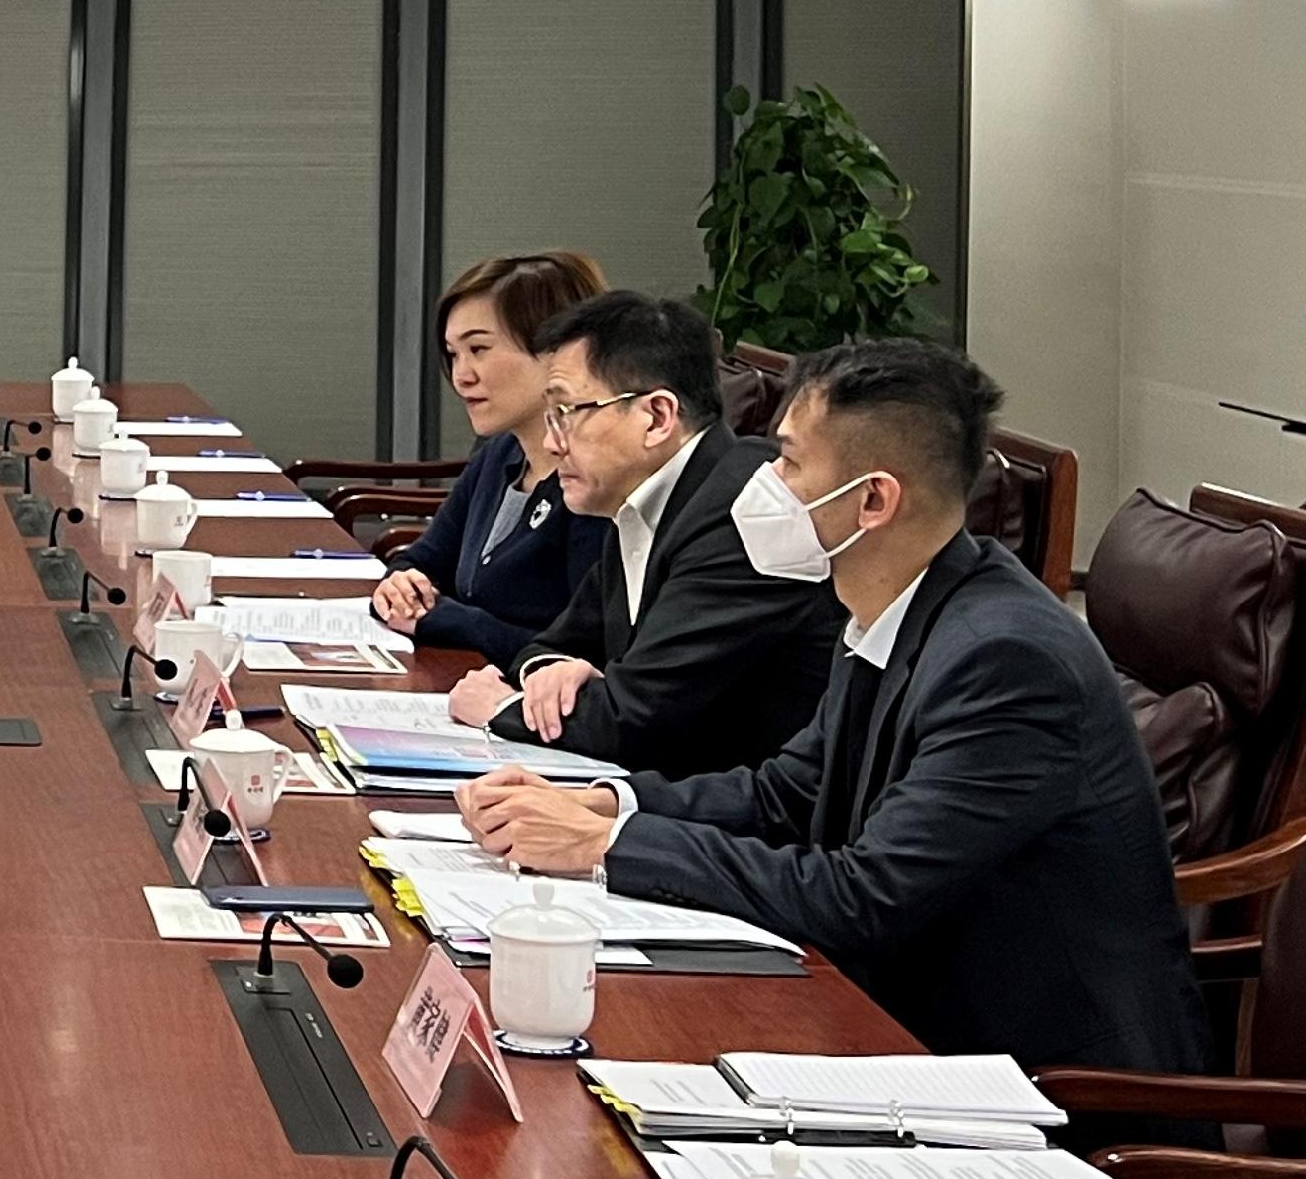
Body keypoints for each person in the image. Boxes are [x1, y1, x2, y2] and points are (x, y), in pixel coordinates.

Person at [460, 341, 1202, 1078]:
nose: (761, 483)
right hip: (903, 1025)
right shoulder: (892, 604)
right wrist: (602, 806)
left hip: (1048, 1090)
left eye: (786, 462)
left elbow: (864, 896)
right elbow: (787, 792)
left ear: (873, 499)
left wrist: (606, 849)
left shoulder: (1006, 658)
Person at [443, 289, 837, 779]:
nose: (550, 442)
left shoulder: (745, 515)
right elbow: (554, 644)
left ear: (656, 418)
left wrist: (505, 709)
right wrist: (548, 675)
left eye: (567, 413)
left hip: (738, 822)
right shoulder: (649, 498)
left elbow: (638, 719)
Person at [368, 251, 611, 669]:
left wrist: (445, 620)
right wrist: (400, 584)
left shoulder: (594, 484)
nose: (461, 375)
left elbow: (583, 656)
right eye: (453, 353)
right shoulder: (501, 451)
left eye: (478, 349)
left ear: (557, 351)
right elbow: (424, 558)